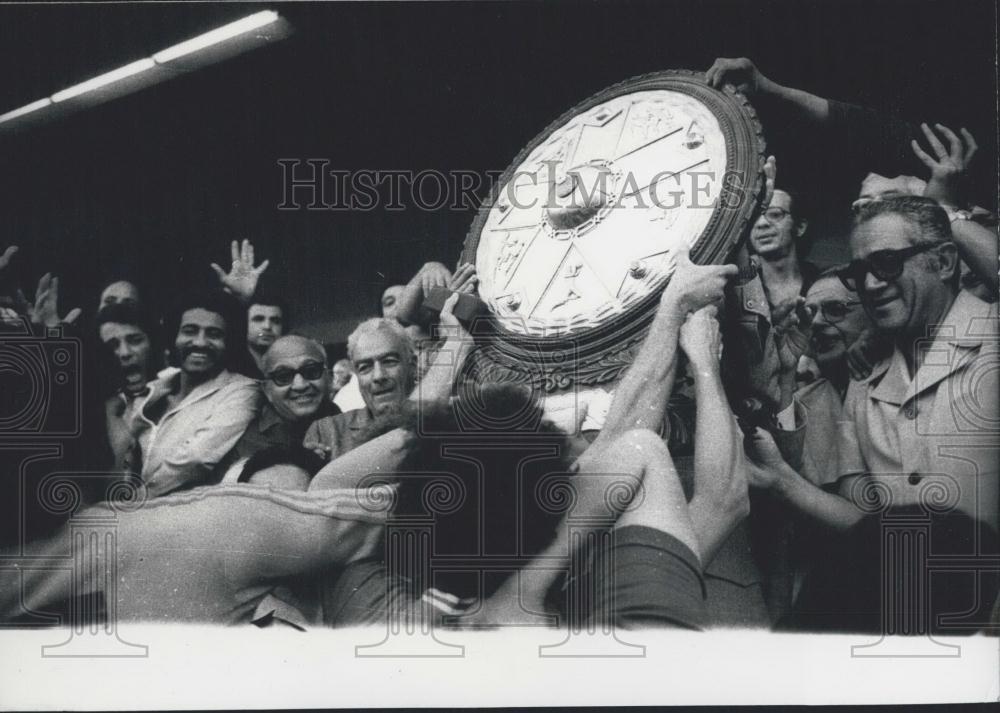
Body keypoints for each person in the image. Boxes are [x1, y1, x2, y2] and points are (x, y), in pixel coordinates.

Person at [748, 195, 998, 633]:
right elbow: (864, 527)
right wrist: (783, 480)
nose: (871, 283)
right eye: (858, 271)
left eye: (886, 263)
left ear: (944, 262)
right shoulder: (865, 378)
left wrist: (939, 203)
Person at [129, 289, 260, 497]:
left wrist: (135, 499)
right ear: (174, 336)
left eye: (214, 334)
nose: (200, 342)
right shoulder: (150, 391)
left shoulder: (242, 391)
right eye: (190, 331)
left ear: (228, 342)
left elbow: (196, 458)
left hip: (177, 509)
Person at [218, 335, 338, 481]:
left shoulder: (344, 421)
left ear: (329, 377)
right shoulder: (250, 444)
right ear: (267, 390)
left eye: (311, 371)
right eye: (283, 376)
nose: (300, 385)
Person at [305, 317, 418, 460]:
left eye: (389, 362)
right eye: (365, 367)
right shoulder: (327, 432)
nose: (378, 376)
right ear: (356, 375)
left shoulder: (437, 425)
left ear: (413, 365)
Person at [96, 303, 164, 473]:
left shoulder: (178, 396)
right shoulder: (97, 411)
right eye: (112, 346)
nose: (125, 353)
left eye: (135, 341)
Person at [245, 295, 287, 378]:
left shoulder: (288, 364)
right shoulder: (232, 364)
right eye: (258, 319)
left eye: (276, 321)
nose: (267, 326)